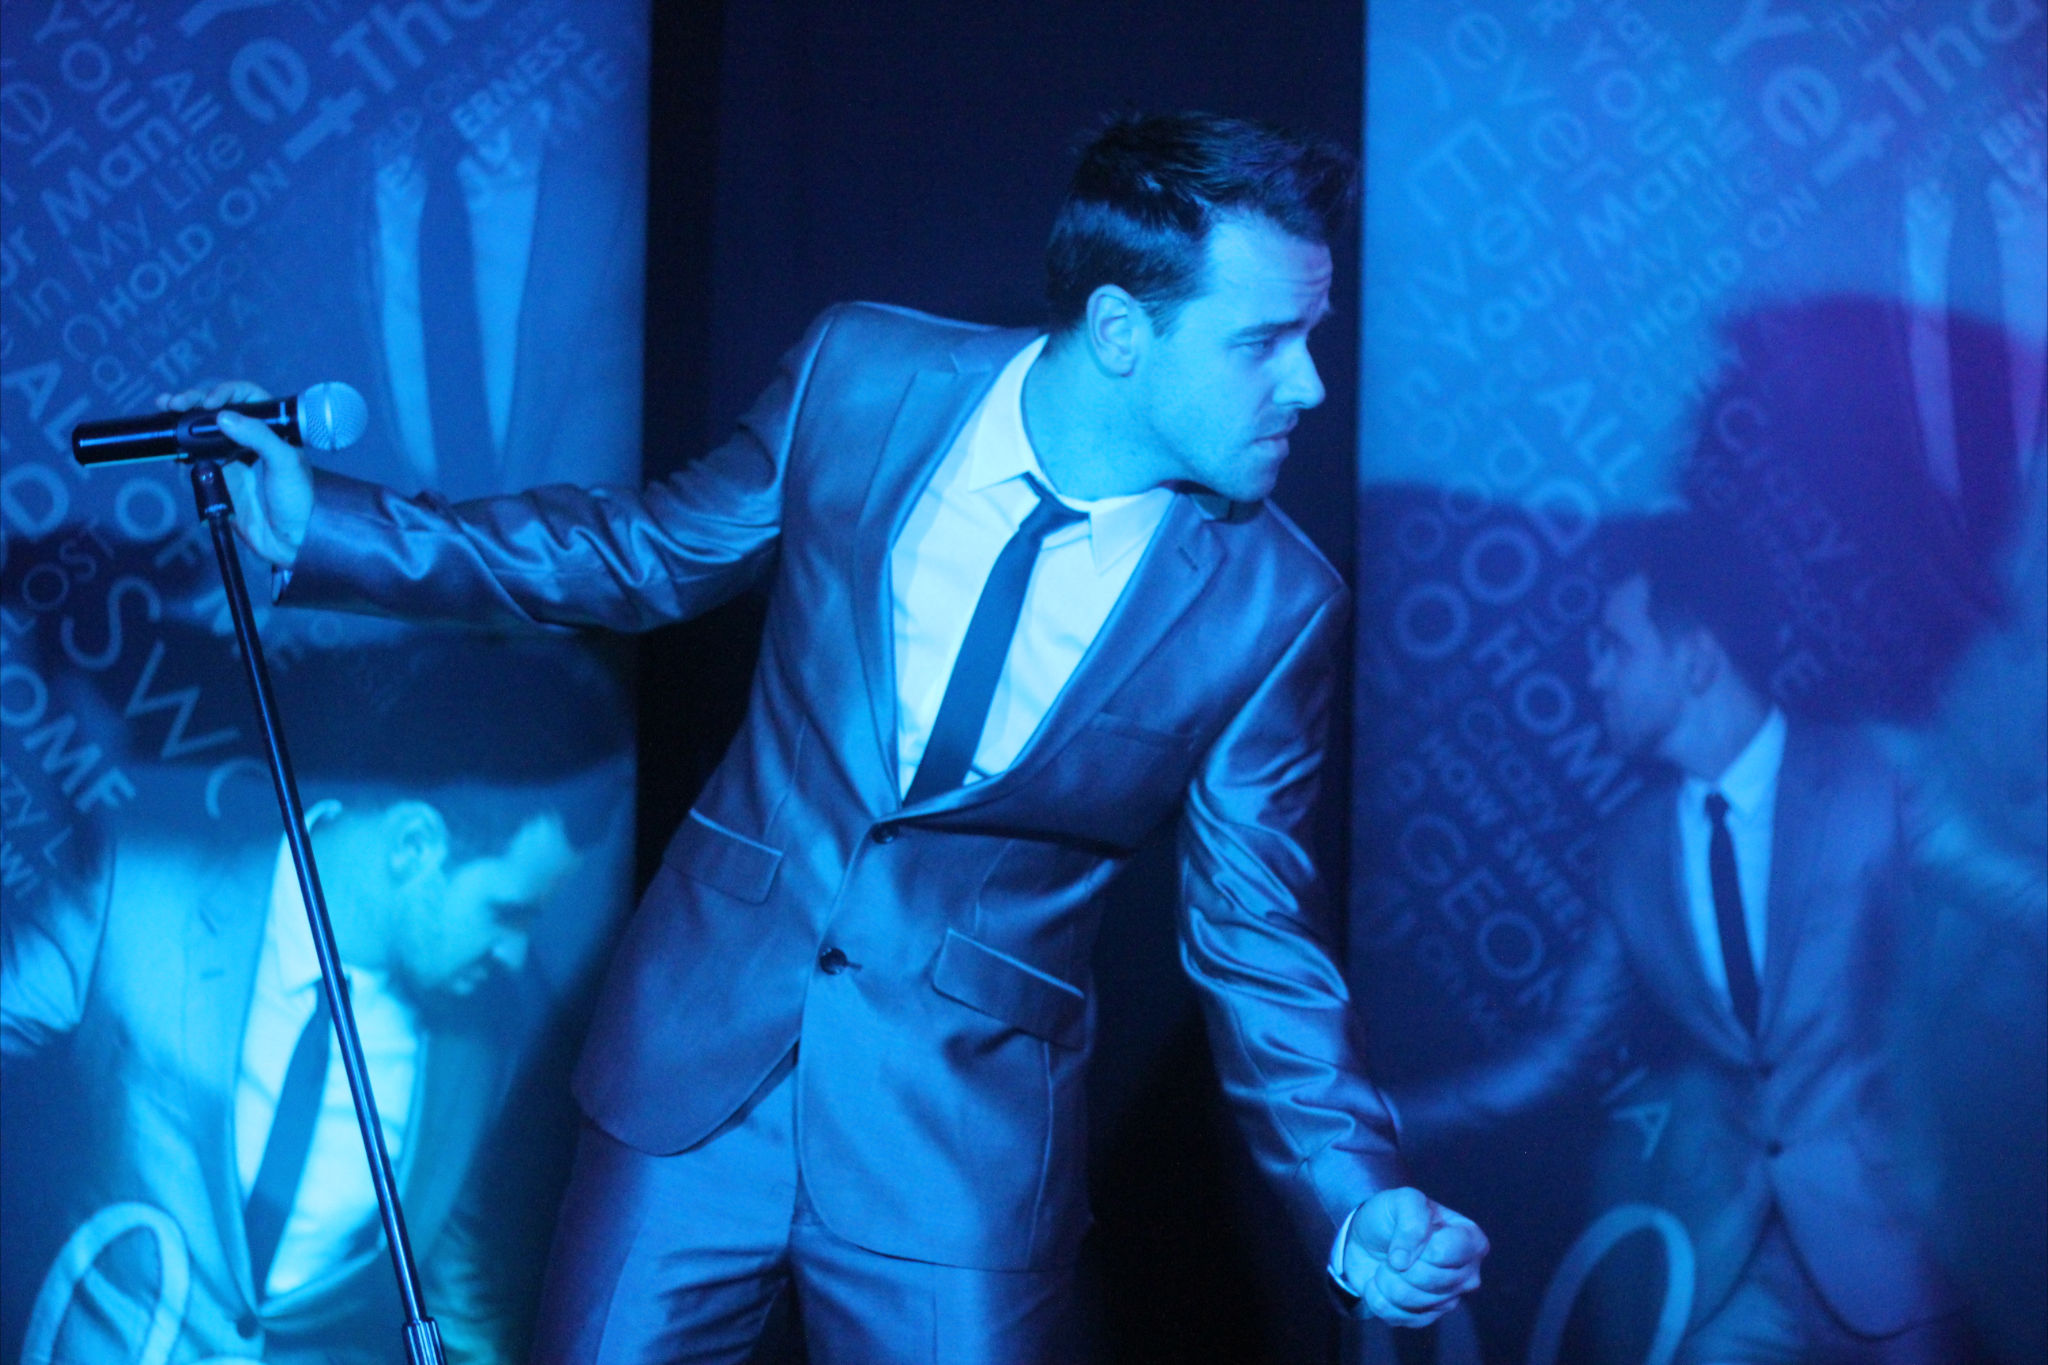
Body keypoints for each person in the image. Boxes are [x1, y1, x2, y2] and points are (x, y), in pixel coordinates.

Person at [180, 112, 1489, 1361]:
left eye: (1310, 336)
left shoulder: (1275, 604)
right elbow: (640, 553)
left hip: (957, 1151)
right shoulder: (862, 376)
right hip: (695, 1075)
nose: (1308, 382)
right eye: (1263, 341)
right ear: (1119, 331)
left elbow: (1257, 937)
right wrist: (328, 526)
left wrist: (1354, 1190)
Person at [1403, 513, 1962, 1363]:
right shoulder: (1630, 849)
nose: (1593, 675)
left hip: (1898, 1247)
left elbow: (2009, 915)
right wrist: (1384, 1115)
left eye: (1614, 648)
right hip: (1733, 1262)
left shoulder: (1872, 773)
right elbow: (1562, 1053)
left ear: (1697, 660)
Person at [0, 638, 627, 1364]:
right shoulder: (136, 893)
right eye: (507, 913)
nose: (514, 956)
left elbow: (456, 1294)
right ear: (414, 845)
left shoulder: (486, 1036)